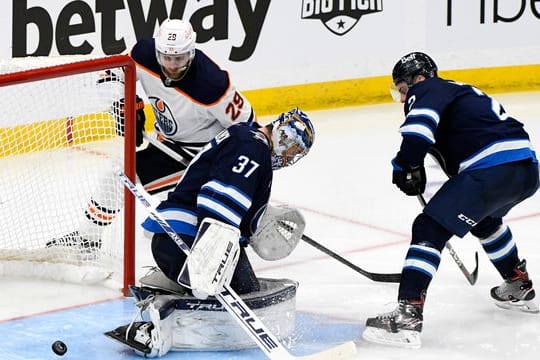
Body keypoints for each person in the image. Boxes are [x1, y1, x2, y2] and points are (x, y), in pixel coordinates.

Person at [362, 51, 539, 349]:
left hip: (491, 171)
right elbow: (452, 169)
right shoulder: (459, 93)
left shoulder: (428, 88)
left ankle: (407, 317)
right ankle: (518, 284)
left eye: (404, 89)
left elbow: (418, 133)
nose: (405, 98)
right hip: (525, 170)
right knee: (485, 220)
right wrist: (417, 171)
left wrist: (403, 166)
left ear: (418, 78)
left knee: (428, 229)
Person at [106, 107, 315, 356]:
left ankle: (170, 286)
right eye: (292, 147)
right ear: (282, 134)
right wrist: (210, 260)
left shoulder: (246, 136)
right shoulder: (254, 149)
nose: (290, 157)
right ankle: (160, 312)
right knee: (246, 294)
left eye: (297, 154)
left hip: (180, 237)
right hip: (187, 239)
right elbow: (218, 200)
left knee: (245, 288)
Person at [47, 18, 256, 249]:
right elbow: (110, 75)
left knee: (169, 222)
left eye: (179, 58)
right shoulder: (143, 54)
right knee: (118, 175)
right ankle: (88, 239)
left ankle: (233, 232)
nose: (172, 65)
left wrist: (231, 171)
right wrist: (121, 104)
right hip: (167, 146)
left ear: (191, 52)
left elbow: (248, 129)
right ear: (157, 51)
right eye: (166, 58)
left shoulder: (212, 84)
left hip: (205, 157)